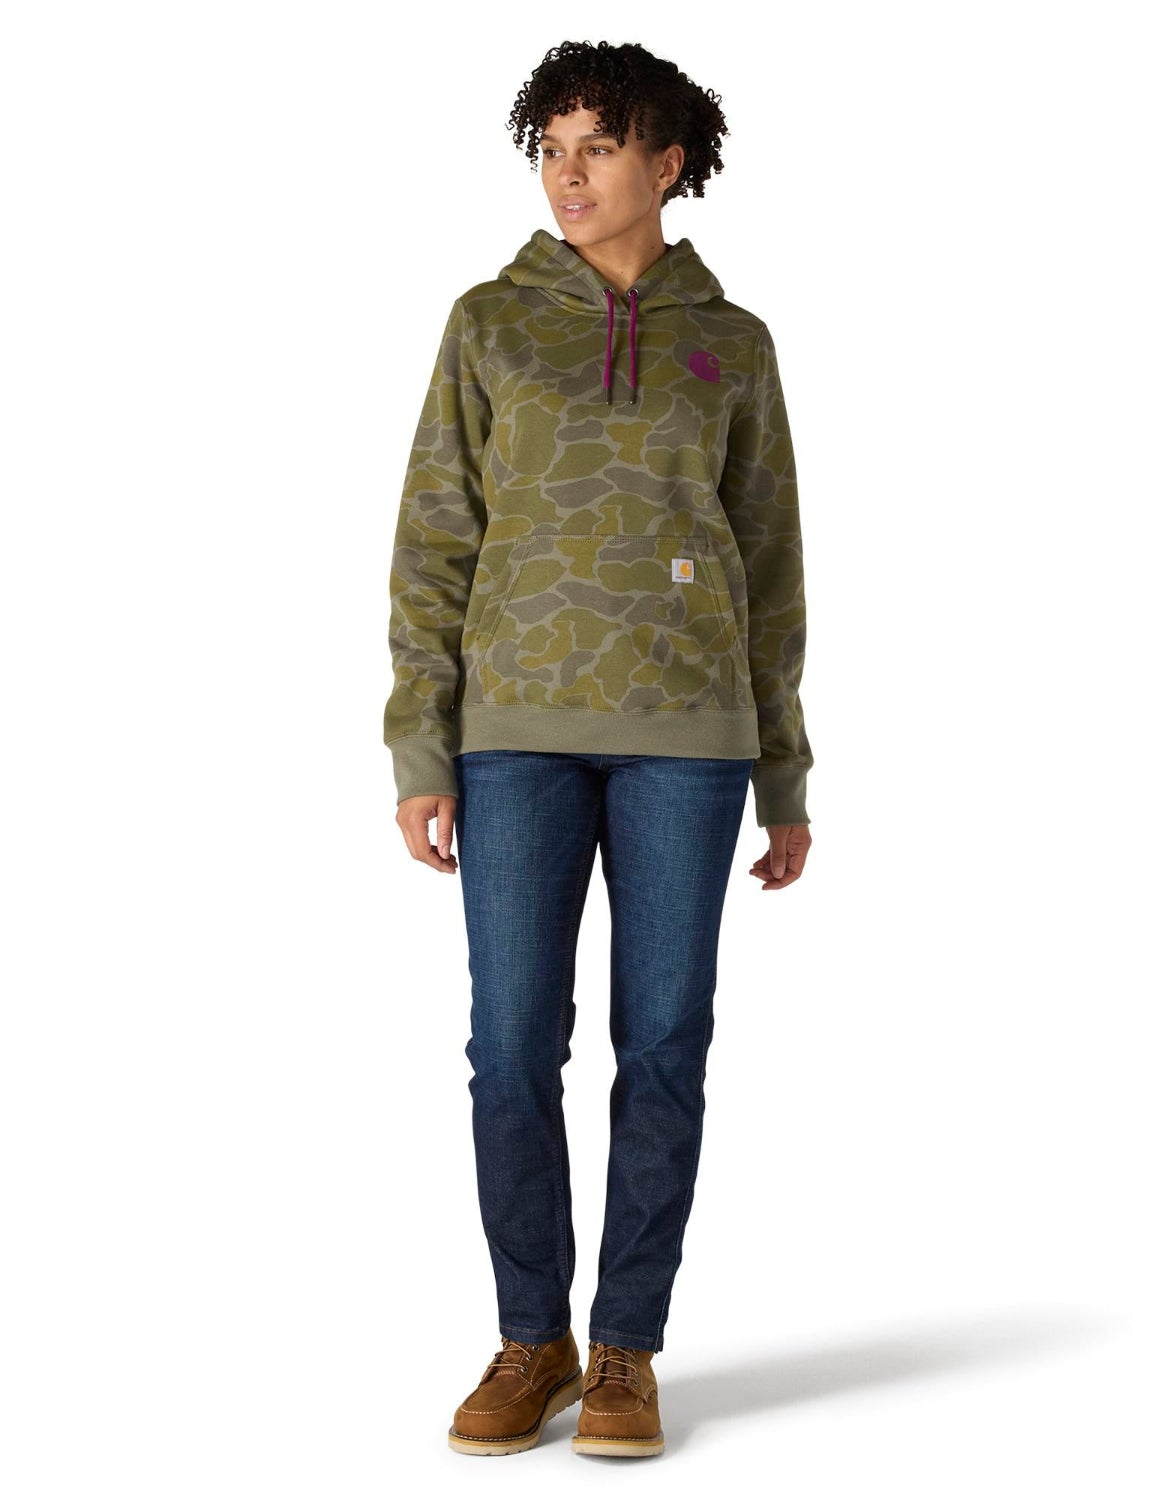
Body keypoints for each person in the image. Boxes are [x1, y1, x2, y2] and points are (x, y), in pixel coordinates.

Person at [384, 38, 815, 1459]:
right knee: (511, 1046)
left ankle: (626, 1345)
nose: (568, 175)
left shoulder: (731, 343)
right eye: (550, 151)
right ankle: (533, 1339)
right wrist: (421, 743)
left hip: (691, 741)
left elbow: (770, 560)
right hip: (514, 738)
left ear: (667, 163)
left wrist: (785, 770)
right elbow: (435, 538)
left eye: (598, 148)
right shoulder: (490, 324)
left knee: (666, 1041)